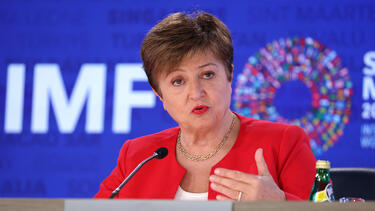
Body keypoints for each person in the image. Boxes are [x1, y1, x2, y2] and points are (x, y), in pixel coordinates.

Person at [94, 11, 316, 201]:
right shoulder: (137, 157)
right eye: (178, 81)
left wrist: (283, 204)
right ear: (160, 95)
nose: (196, 92)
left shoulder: (284, 144)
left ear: (229, 77)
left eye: (207, 74)